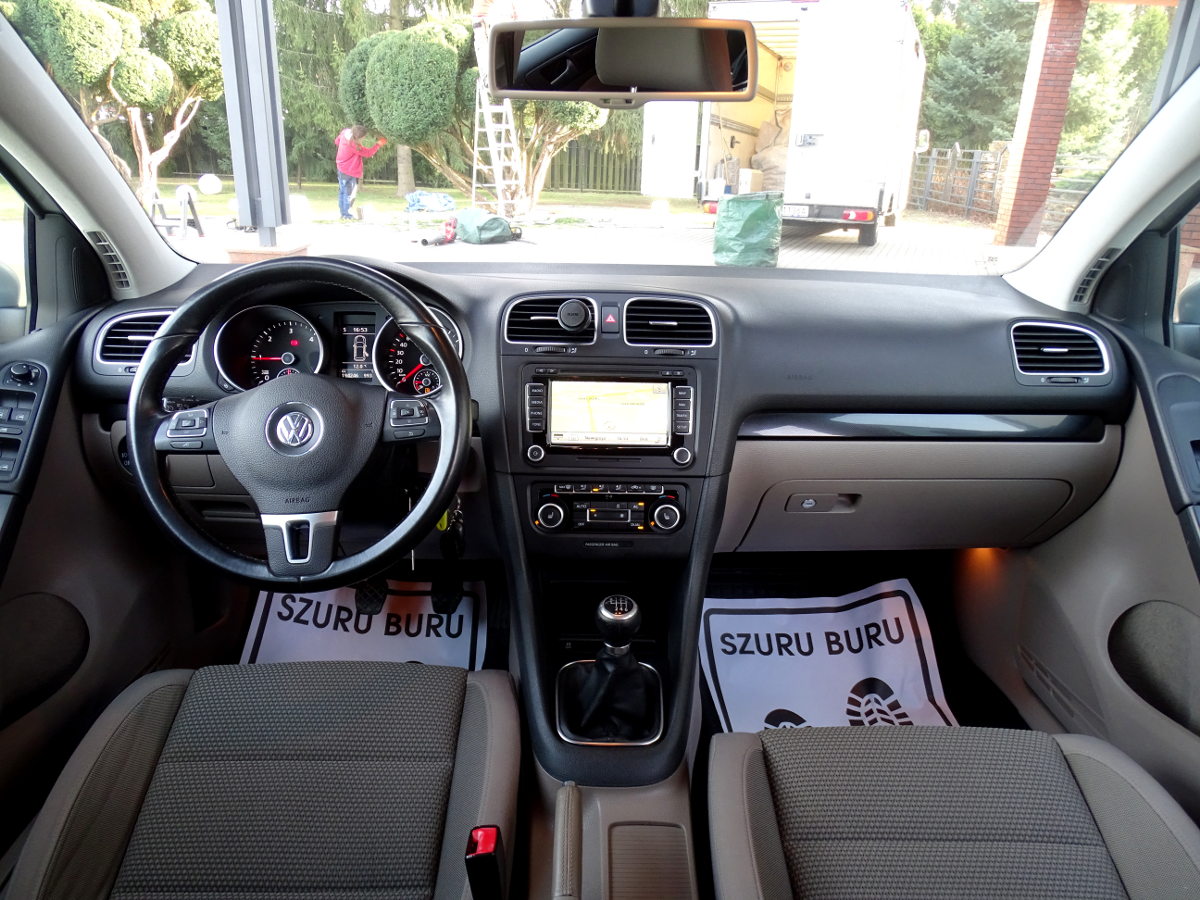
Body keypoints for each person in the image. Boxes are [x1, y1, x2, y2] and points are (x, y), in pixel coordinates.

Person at [334, 125, 386, 221]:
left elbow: (337, 141)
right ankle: (346, 215)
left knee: (342, 191)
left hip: (341, 167)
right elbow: (368, 153)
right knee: (349, 194)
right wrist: (378, 144)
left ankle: (343, 214)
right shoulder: (353, 145)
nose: (363, 139)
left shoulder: (345, 132)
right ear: (358, 137)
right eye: (363, 138)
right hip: (349, 170)